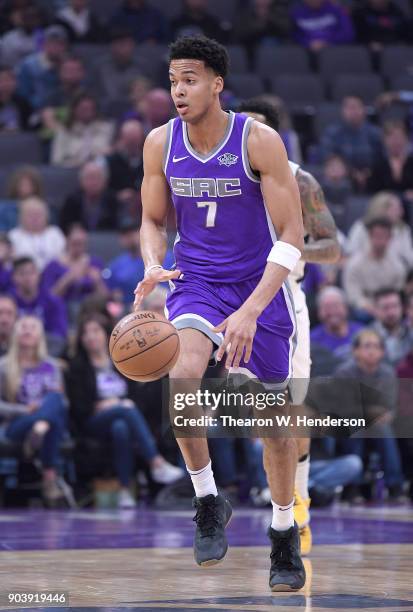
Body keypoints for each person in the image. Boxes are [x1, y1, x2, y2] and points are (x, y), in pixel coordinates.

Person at [134, 36, 306, 591]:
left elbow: (293, 237)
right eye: (172, 81)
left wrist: (253, 310)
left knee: (274, 428)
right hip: (198, 283)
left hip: (260, 286)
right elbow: (152, 221)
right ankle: (208, 500)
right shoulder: (160, 143)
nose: (178, 91)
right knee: (182, 373)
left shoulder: (259, 141)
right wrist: (153, 263)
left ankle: (283, 532)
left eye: (189, 79)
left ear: (216, 84)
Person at [239, 96, 340, 556]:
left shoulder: (298, 179)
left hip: (282, 298)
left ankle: (297, 508)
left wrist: (290, 249)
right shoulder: (221, 177)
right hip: (232, 297)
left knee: (288, 410)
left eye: (259, 130)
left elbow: (332, 246)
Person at [67, 314, 184, 508]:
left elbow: (135, 396)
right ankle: (156, 462)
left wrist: (117, 404)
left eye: (95, 331)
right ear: (80, 339)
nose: (90, 337)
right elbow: (79, 407)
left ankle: (124, 490)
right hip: (91, 422)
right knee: (126, 410)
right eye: (85, 333)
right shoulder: (78, 367)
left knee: (120, 427)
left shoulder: (121, 361)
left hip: (121, 418)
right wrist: (110, 404)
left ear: (105, 335)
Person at [0, 316, 69, 506]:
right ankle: (49, 477)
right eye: (23, 327)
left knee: (56, 399)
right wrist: (24, 409)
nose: (27, 330)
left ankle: (40, 428)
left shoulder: (52, 366)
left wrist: (42, 417)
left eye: (32, 327)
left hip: (43, 425)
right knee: (51, 417)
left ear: (40, 335)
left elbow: (62, 403)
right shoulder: (4, 366)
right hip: (18, 423)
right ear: (15, 333)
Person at [335, 329, 406, 502]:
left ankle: (395, 485)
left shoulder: (388, 373)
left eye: (376, 346)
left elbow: (388, 408)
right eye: (367, 346)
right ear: (355, 351)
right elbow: (345, 407)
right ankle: (353, 488)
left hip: (377, 423)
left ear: (382, 352)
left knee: (383, 429)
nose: (372, 351)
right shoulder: (344, 372)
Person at [41, 224, 108, 322]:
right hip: (62, 310)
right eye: (75, 243)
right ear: (67, 241)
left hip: (90, 311)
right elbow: (49, 297)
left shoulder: (95, 263)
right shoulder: (53, 265)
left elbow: (105, 297)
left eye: (81, 243)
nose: (78, 247)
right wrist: (67, 279)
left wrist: (97, 282)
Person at [343, 217, 406, 320]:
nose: (380, 240)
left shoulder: (398, 265)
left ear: (390, 238)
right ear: (369, 236)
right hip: (365, 309)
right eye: (377, 235)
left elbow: (398, 292)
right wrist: (372, 308)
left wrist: (387, 308)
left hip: (390, 306)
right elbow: (353, 296)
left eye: (384, 236)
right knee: (360, 314)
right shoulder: (354, 264)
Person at [319, 96, 383, 191]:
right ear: (343, 111)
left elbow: (381, 157)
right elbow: (328, 156)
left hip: (372, 174)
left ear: (364, 110)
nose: (353, 112)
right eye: (349, 108)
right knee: (333, 174)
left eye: (356, 107)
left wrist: (368, 172)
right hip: (345, 175)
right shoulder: (332, 133)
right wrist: (352, 172)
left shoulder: (375, 133)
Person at [105, 221, 174, 305]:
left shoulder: (169, 257)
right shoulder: (116, 266)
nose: (130, 237)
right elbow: (114, 296)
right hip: (133, 310)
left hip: (168, 305)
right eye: (125, 235)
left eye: (134, 232)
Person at [11, 257, 68, 354]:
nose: (27, 277)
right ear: (14, 277)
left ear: (39, 275)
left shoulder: (53, 302)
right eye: (22, 273)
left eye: (31, 272)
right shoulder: (8, 303)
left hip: (47, 351)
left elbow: (59, 335)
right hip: (13, 351)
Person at [346, 192, 413, 271]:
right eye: (396, 209)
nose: (401, 212)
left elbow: (409, 257)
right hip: (365, 270)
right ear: (382, 209)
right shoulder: (361, 227)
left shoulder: (403, 229)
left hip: (396, 273)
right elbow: (351, 253)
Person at [51, 91, 114, 167]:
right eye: (83, 109)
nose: (86, 112)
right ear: (74, 110)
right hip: (70, 171)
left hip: (99, 172)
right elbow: (56, 161)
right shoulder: (64, 132)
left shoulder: (107, 129)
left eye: (89, 109)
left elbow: (111, 154)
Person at [16, 25, 68, 113]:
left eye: (59, 44)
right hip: (35, 110)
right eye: (51, 43)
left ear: (65, 46)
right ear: (44, 44)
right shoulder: (29, 65)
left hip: (63, 110)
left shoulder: (69, 64)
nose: (55, 47)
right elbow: (23, 94)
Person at [59, 160, 121, 232]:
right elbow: (64, 228)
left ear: (105, 181)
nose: (93, 182)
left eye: (97, 177)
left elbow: (118, 227)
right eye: (89, 178)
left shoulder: (112, 200)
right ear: (81, 181)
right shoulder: (71, 201)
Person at [9, 197, 66, 272]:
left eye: (38, 214)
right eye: (30, 215)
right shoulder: (14, 236)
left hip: (52, 275)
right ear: (21, 217)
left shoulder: (55, 233)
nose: (35, 219)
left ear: (47, 216)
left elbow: (63, 257)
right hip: (23, 276)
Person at [96, 27, 148, 106]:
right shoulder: (99, 67)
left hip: (136, 110)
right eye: (121, 44)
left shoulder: (142, 67)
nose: (125, 48)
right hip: (105, 110)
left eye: (129, 44)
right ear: (113, 46)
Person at [311, 286, 363, 364]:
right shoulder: (312, 340)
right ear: (319, 312)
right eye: (327, 307)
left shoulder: (361, 333)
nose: (332, 311)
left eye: (336, 306)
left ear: (346, 308)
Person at [105, 120, 145, 214]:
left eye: (135, 139)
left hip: (144, 207)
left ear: (142, 138)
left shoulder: (150, 159)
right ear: (121, 138)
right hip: (115, 209)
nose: (132, 143)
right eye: (129, 139)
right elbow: (101, 190)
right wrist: (117, 196)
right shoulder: (109, 161)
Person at [368, 120, 413, 198]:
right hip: (384, 206)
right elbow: (371, 192)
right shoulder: (378, 165)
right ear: (384, 140)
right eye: (392, 137)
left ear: (406, 139)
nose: (396, 141)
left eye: (399, 137)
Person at [290, 0, 354, 51]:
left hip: (336, 51)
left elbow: (348, 34)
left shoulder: (337, 10)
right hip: (307, 53)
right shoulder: (296, 13)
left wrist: (326, 43)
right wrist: (308, 43)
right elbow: (295, 36)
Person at [370, 289, 412, 367]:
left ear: (402, 308)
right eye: (385, 307)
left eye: (395, 306)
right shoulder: (366, 337)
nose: (391, 312)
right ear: (375, 310)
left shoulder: (410, 332)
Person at [0, 65, 31, 132]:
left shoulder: (23, 103)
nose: (5, 84)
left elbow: (28, 126)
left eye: (8, 80)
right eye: (1, 81)